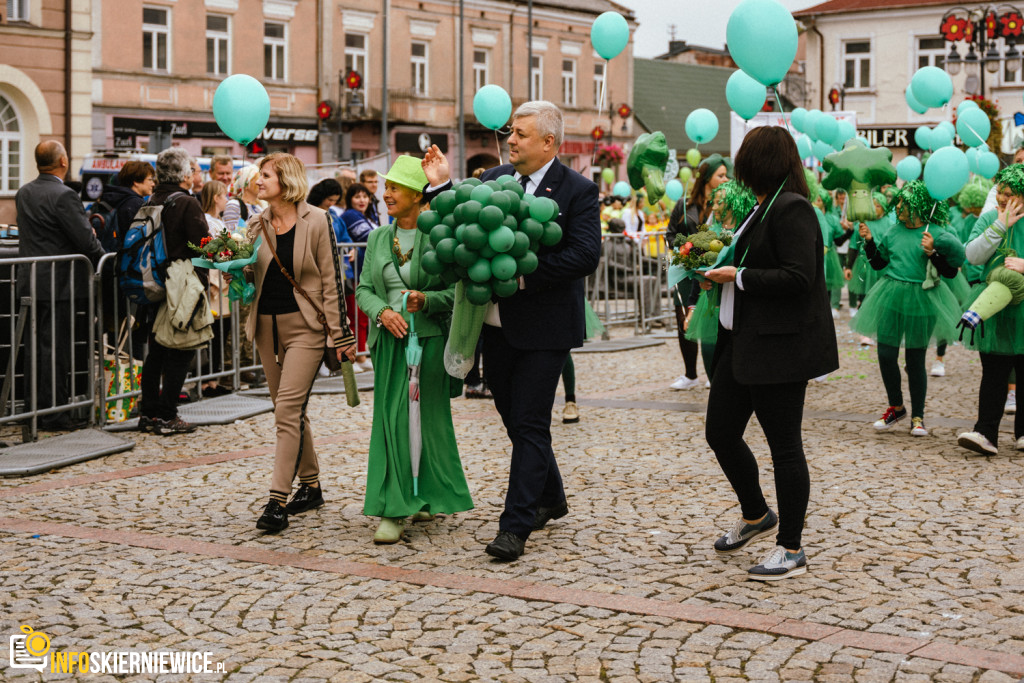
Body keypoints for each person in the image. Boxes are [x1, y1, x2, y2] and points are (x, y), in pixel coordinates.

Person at [701, 126, 839, 581]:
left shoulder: (792, 207)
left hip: (779, 348)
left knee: (784, 448)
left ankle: (791, 548)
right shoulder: (765, 205)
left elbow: (799, 277)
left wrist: (736, 276)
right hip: (743, 344)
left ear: (759, 162)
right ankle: (757, 513)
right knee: (720, 432)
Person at [475, 101, 601, 561]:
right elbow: (462, 224)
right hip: (495, 326)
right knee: (514, 419)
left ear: (549, 142)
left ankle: (515, 526)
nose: (511, 140)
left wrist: (524, 274)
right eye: (511, 132)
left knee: (530, 422)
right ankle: (552, 496)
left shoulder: (577, 191)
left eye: (521, 134)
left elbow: (585, 255)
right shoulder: (492, 181)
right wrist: (441, 187)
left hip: (546, 329)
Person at [354, 154, 472, 544]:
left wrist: (426, 301)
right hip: (389, 344)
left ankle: (426, 493)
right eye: (385, 187)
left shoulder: (436, 235)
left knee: (429, 422)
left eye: (394, 187)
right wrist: (383, 312)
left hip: (430, 345)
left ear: (418, 195)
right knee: (392, 422)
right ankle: (395, 506)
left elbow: (452, 294)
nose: (385, 194)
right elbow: (364, 291)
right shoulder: (376, 237)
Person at [244, 153, 357, 532]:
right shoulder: (256, 223)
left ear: (286, 180)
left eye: (266, 175)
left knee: (286, 410)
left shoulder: (318, 220)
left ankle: (276, 500)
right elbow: (249, 276)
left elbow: (330, 279)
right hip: (265, 327)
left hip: (306, 328)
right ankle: (311, 486)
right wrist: (232, 270)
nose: (258, 181)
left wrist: (339, 334)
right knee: (288, 409)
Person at [851, 180, 964, 437]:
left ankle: (918, 417)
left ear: (918, 206)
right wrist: (869, 241)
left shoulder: (936, 232)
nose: (898, 207)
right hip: (890, 295)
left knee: (915, 360)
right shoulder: (893, 231)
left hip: (922, 298)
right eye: (899, 202)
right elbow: (879, 264)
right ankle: (896, 406)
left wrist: (933, 252)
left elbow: (950, 270)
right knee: (886, 355)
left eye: (903, 203)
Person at [15, 140, 106, 430]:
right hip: (60, 284)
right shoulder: (64, 195)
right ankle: (53, 413)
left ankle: (34, 407)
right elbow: (85, 241)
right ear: (63, 161)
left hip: (31, 280)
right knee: (56, 350)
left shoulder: (24, 192)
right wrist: (105, 258)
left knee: (35, 348)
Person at [138, 148, 210, 435]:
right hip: (181, 284)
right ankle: (167, 414)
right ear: (183, 175)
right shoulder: (187, 203)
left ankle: (149, 413)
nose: (193, 175)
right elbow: (202, 244)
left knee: (156, 351)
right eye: (191, 170)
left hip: (153, 282)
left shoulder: (152, 200)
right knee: (181, 348)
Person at [957, 165, 1024, 456]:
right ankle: (986, 432)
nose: (1001, 199)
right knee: (994, 372)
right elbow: (972, 254)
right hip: (993, 310)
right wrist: (999, 225)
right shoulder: (988, 218)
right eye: (999, 194)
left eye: (1009, 195)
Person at [666, 154, 731, 390]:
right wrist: (688, 249)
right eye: (720, 175)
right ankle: (690, 374)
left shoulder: (724, 204)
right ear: (707, 177)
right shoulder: (685, 205)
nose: (725, 179)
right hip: (686, 270)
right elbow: (670, 234)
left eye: (726, 175)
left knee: (714, 322)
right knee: (685, 320)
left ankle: (714, 372)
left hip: (714, 271)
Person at [342, 183, 378, 372]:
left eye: (365, 196)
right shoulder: (350, 215)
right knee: (354, 316)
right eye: (357, 197)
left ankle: (362, 354)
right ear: (350, 199)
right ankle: (353, 356)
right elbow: (371, 236)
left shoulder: (367, 215)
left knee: (363, 316)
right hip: (353, 272)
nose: (362, 200)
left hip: (364, 272)